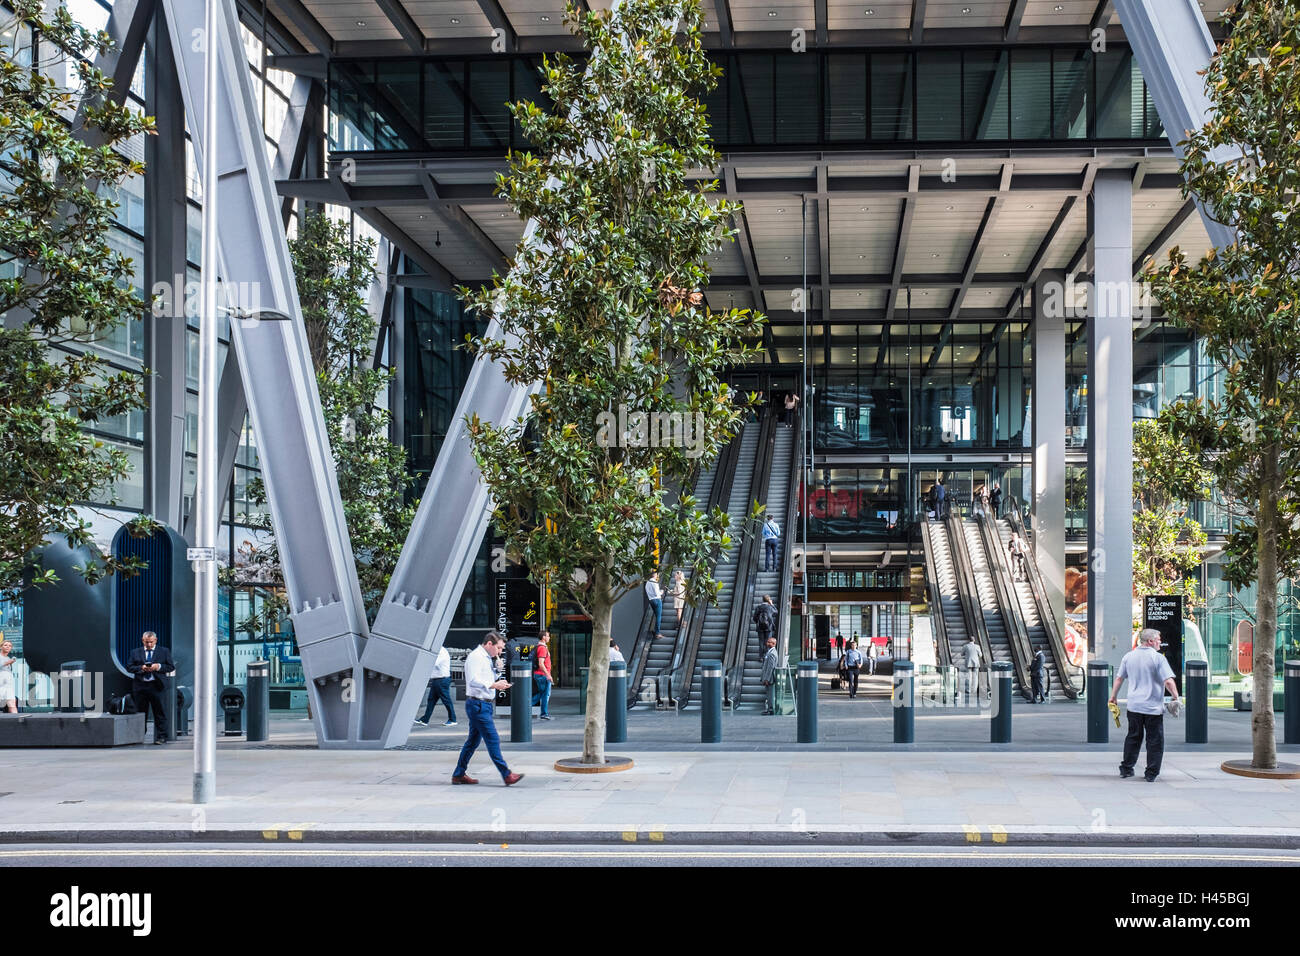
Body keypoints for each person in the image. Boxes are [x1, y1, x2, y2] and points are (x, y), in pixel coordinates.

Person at [453, 632, 523, 786]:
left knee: (472, 742)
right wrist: (494, 685)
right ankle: (506, 775)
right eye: (498, 648)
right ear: (489, 644)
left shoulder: (485, 657)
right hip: (478, 704)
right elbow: (473, 681)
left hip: (482, 704)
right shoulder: (476, 657)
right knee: (492, 739)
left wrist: (497, 673)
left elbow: (484, 678)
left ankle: (458, 774)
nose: (499, 652)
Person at [1110, 628, 1180, 782]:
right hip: (1152, 708)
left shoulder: (1128, 656)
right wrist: (1176, 697)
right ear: (1150, 641)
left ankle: (1126, 768)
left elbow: (1119, 678)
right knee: (1154, 741)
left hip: (1134, 706)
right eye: (1158, 639)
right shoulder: (1158, 658)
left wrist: (1113, 696)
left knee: (1133, 737)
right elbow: (1168, 680)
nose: (1160, 642)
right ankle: (1151, 773)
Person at [127, 631, 173, 744]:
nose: (149, 644)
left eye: (151, 642)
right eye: (147, 642)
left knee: (160, 712)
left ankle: (161, 737)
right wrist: (141, 668)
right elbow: (129, 667)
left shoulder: (164, 651)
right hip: (140, 687)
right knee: (140, 713)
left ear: (155, 640)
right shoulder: (135, 652)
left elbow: (170, 666)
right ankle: (138, 736)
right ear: (143, 640)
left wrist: (158, 667)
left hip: (157, 686)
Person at [415, 644, 457, 727]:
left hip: (442, 680)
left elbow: (435, 663)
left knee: (446, 700)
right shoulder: (438, 651)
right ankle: (425, 720)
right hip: (437, 680)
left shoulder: (442, 652)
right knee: (431, 700)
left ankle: (453, 719)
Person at [532, 629, 553, 721]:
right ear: (544, 637)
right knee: (545, 694)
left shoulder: (540, 647)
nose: (549, 638)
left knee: (542, 693)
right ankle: (544, 714)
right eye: (548, 636)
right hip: (542, 675)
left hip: (541, 675)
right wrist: (548, 675)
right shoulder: (542, 648)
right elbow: (541, 663)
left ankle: (525, 708)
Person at [760, 636, 779, 715]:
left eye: (769, 642)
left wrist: (766, 679)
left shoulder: (772, 654)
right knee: (768, 693)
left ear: (773, 644)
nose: (767, 643)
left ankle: (770, 709)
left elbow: (770, 668)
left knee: (770, 694)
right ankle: (769, 709)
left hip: (769, 678)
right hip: (768, 677)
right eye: (767, 642)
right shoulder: (770, 652)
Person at [961, 637, 982, 702]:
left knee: (969, 676)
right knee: (975, 676)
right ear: (974, 640)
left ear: (968, 640)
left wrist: (967, 654)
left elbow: (962, 654)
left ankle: (968, 690)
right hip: (976, 663)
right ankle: (974, 690)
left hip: (968, 662)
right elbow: (980, 655)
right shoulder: (977, 646)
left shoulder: (965, 646)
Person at [0, 639, 17, 714]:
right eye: (5, 645)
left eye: (10, 646)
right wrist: (8, 662)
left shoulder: (8, 658)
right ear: (1, 647)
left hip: (8, 686)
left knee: (12, 704)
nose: (8, 647)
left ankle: (16, 722)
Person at [645, 573, 663, 640]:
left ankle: (656, 631)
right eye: (657, 575)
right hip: (657, 600)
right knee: (659, 616)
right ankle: (657, 633)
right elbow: (657, 593)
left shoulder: (647, 582)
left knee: (656, 616)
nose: (657, 576)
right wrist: (661, 592)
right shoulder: (654, 582)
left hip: (651, 600)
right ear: (655, 575)